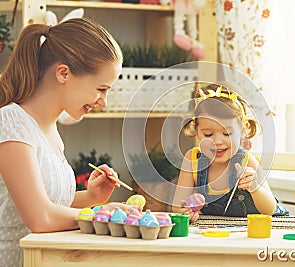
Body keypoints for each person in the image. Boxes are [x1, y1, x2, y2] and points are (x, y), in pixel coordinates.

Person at [0, 18, 140, 267]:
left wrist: (91, 198)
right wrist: (104, 215)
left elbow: (40, 200)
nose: (103, 102)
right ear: (63, 73)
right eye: (101, 89)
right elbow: (40, 217)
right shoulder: (12, 123)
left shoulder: (48, 129)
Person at [172, 84, 277, 222]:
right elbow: (178, 205)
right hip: (213, 234)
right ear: (197, 132)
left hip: (249, 234)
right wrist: (185, 211)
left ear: (243, 130)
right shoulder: (192, 160)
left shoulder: (247, 161)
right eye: (208, 134)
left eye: (227, 133)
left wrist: (255, 188)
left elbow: (270, 209)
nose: (217, 141)